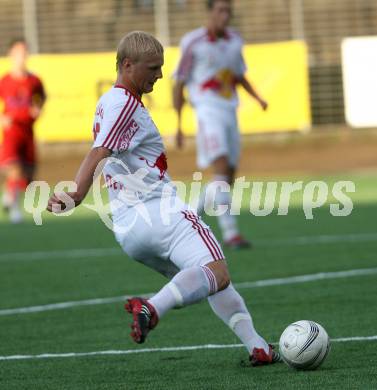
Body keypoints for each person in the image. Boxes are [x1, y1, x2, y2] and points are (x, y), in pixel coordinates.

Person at [46, 31, 280, 366]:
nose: (159, 75)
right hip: (160, 213)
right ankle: (152, 307)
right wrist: (77, 193)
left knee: (206, 278)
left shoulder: (109, 102)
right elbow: (100, 150)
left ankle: (257, 346)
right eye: (153, 68)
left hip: (129, 229)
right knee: (217, 270)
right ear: (128, 65)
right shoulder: (124, 103)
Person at [173, 0, 268, 249]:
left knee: (227, 176)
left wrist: (257, 98)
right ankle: (231, 234)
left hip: (229, 111)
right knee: (222, 167)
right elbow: (179, 82)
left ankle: (190, 218)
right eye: (220, 10)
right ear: (210, 12)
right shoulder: (193, 42)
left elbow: (238, 76)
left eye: (228, 11)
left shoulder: (235, 41)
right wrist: (179, 124)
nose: (225, 15)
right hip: (207, 112)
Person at [0, 38, 46, 223]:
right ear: (11, 54)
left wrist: (38, 108)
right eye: (19, 52)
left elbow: (41, 97)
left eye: (25, 51)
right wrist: (2, 118)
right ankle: (15, 209)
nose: (22, 56)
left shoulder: (34, 80)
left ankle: (8, 193)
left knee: (28, 175)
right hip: (12, 132)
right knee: (14, 169)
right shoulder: (5, 81)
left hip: (28, 132)